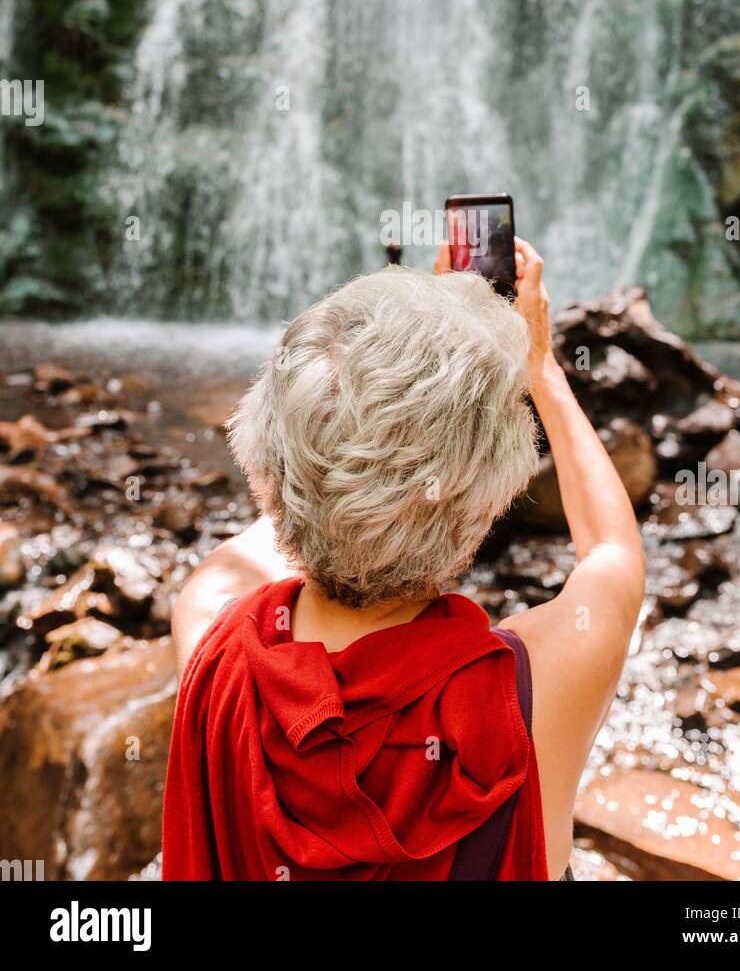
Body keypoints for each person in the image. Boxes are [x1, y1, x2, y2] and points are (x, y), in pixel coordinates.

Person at [164, 238, 644, 881]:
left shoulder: (210, 629)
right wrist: (540, 369)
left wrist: (392, 348)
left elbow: (299, 487)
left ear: (268, 455)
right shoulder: (537, 686)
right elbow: (613, 553)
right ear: (491, 486)